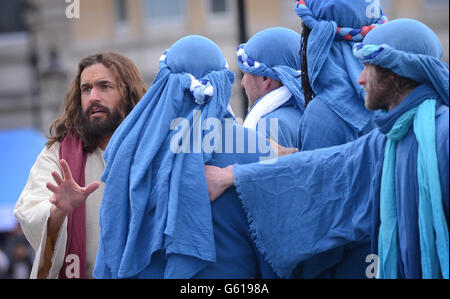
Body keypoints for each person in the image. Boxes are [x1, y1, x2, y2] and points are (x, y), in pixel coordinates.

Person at [205, 19, 449, 279]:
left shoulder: (442, 133)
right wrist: (231, 175)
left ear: (395, 72)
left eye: (368, 67)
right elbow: (326, 166)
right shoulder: (389, 139)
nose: (360, 78)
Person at [93, 35, 278, 279]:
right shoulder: (254, 145)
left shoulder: (131, 149)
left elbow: (113, 234)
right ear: (221, 82)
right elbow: (274, 248)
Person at [14, 52, 147, 279]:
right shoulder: (58, 154)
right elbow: (29, 212)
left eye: (104, 86)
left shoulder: (152, 149)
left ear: (128, 93)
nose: (93, 96)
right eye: (86, 89)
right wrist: (59, 210)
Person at [238, 27, 304, 148]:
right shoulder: (310, 114)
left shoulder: (269, 125)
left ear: (265, 79)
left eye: (245, 74)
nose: (242, 83)